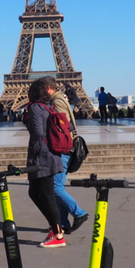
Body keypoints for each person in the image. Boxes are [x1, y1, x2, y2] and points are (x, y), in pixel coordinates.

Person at [42, 77, 89, 234]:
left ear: (48, 88)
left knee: (55, 188)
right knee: (57, 186)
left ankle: (79, 213)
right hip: (66, 148)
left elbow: (61, 125)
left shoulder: (57, 101)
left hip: (63, 149)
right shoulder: (60, 99)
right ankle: (63, 223)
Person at [25, 79, 66, 248]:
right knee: (34, 192)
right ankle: (54, 226)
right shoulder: (48, 106)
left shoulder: (35, 108)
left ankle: (58, 234)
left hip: (41, 156)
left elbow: (38, 132)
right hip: (51, 154)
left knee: (47, 196)